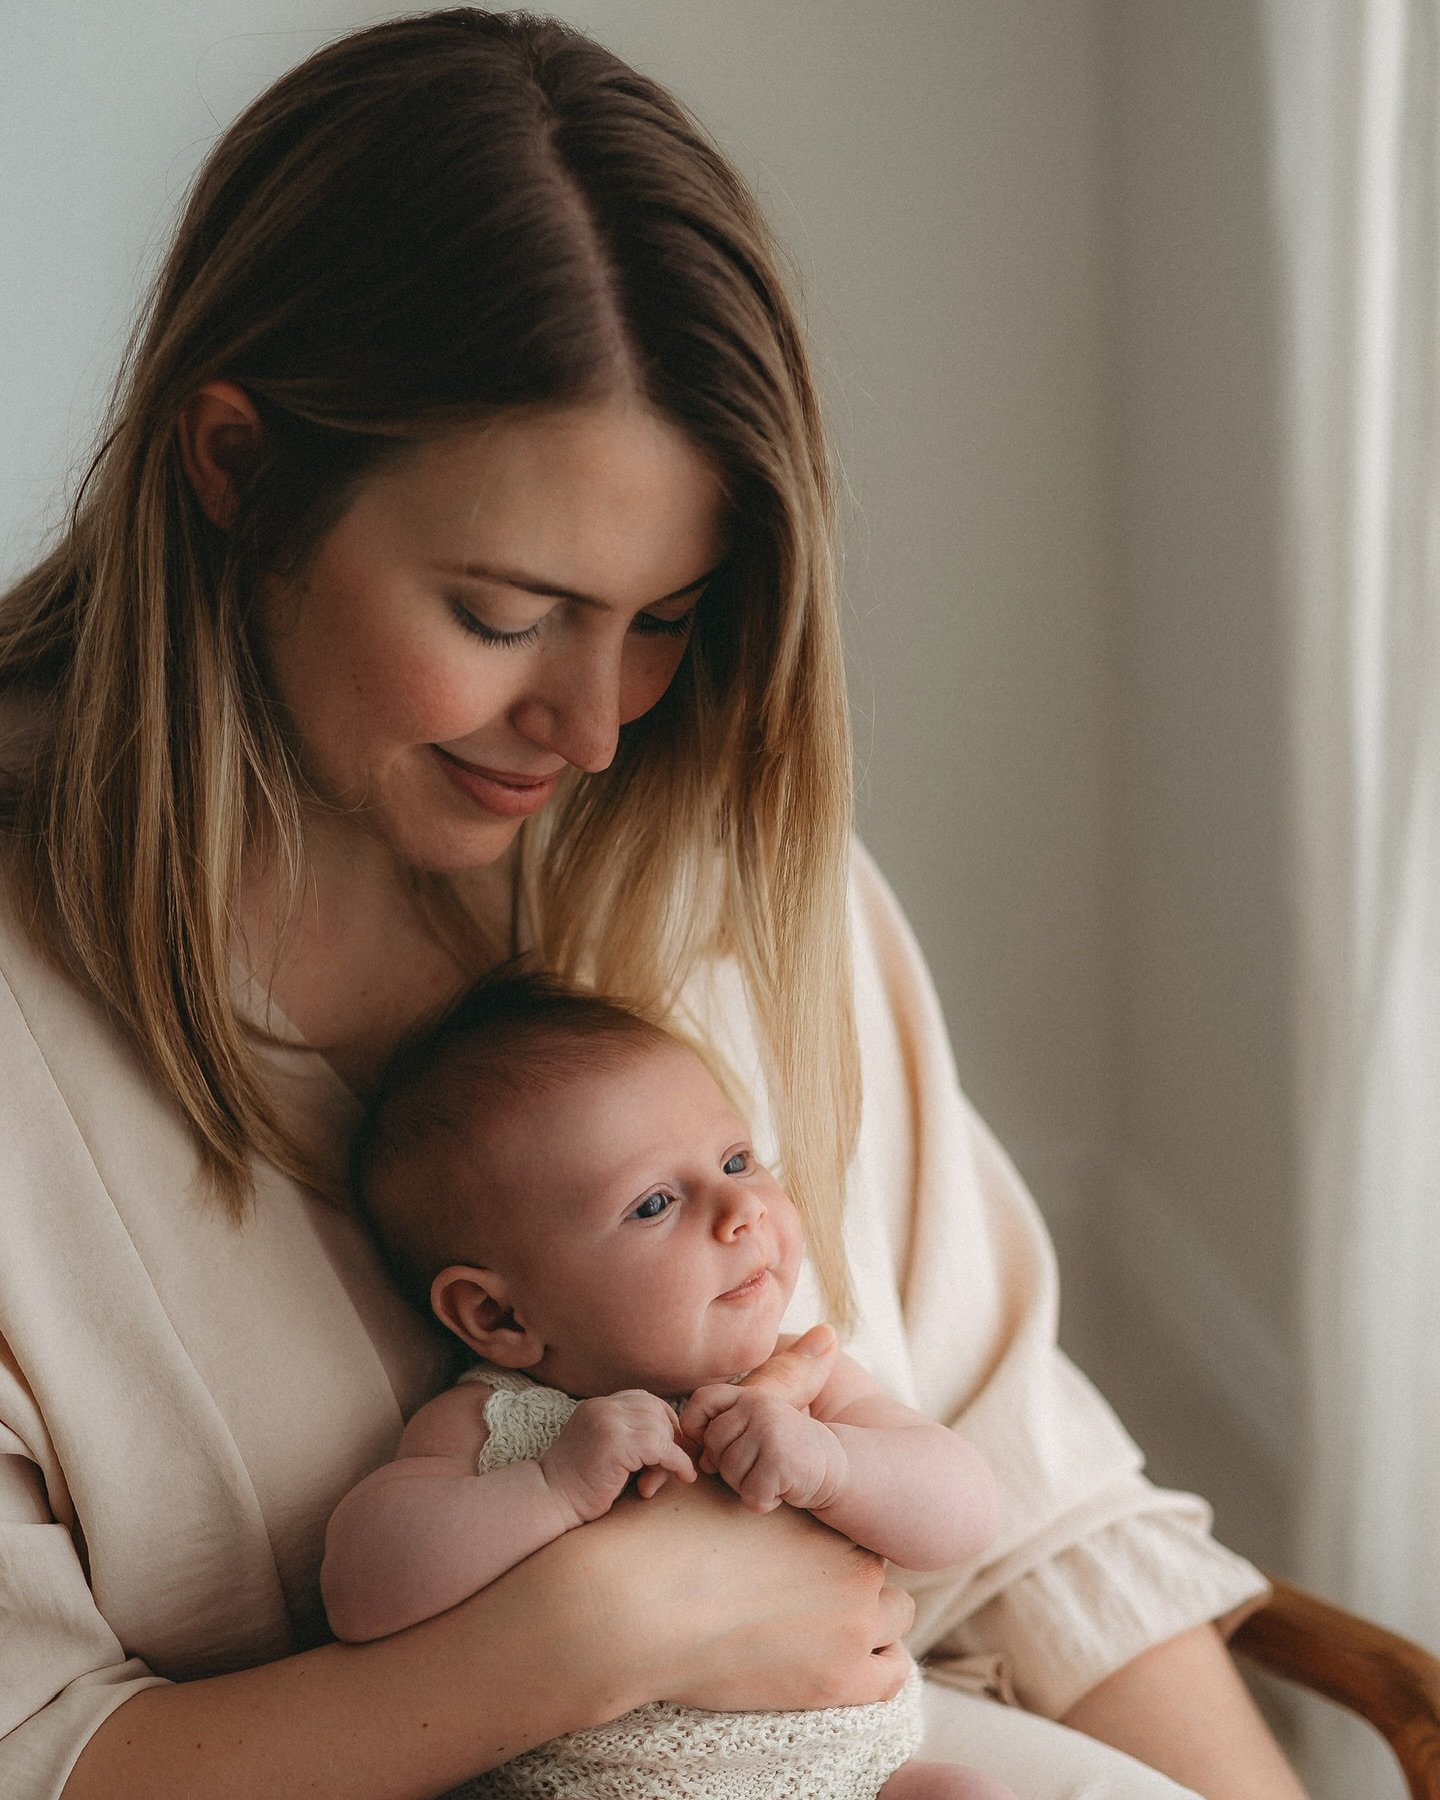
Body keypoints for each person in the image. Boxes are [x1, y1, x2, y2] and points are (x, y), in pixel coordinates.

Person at [0, 10, 1307, 1799]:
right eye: (505, 611)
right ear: (234, 467)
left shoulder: (707, 864)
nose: (598, 725)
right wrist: (600, 1635)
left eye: (668, 615)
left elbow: (1039, 1522)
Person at [321, 970, 1016, 1800]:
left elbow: (966, 1512)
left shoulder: (802, 1384)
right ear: (499, 1316)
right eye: (654, 1204)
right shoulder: (488, 1422)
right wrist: (551, 1487)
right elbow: (361, 1591)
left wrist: (832, 1465)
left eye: (737, 1160)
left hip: (857, 1782)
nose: (741, 1210)